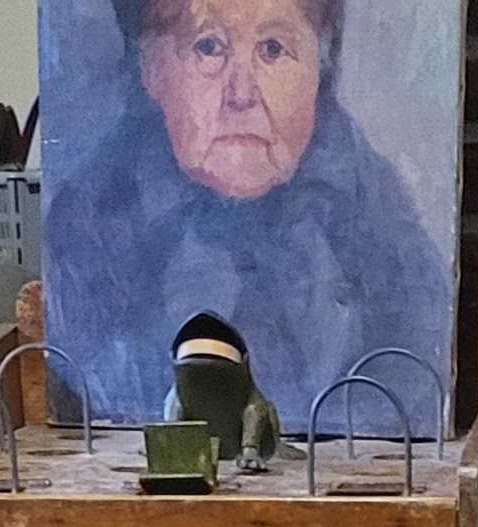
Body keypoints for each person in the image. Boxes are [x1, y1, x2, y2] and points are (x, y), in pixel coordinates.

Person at [47, 0, 454, 438]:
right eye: (208, 47)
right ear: (150, 69)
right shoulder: (92, 219)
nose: (242, 95)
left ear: (320, 67)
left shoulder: (372, 209)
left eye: (273, 49)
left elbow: (412, 379)